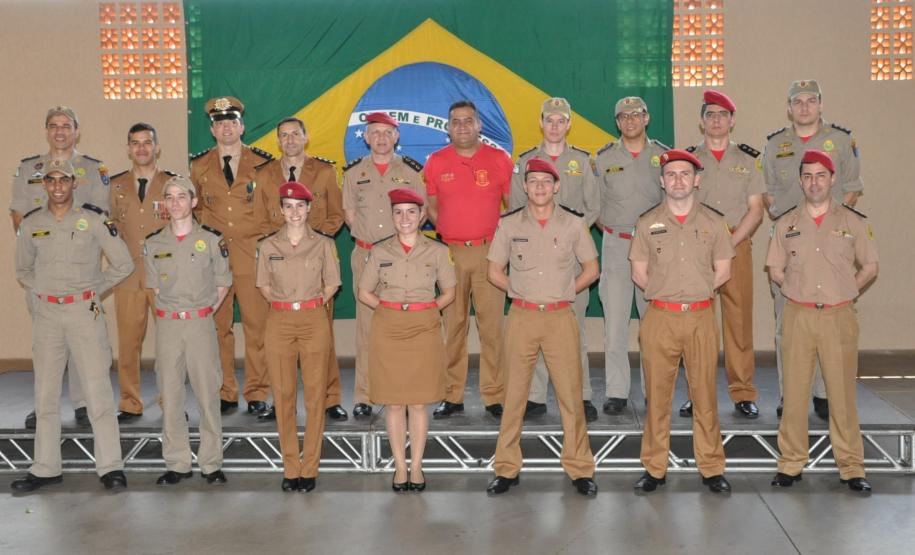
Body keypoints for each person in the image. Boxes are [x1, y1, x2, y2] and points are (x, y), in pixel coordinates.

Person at [12, 159, 132, 492]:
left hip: (84, 313)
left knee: (97, 392)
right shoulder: (32, 224)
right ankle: (46, 467)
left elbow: (123, 263)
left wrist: (95, 291)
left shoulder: (93, 220)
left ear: (74, 183)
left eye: (63, 179)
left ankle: (110, 467)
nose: (57, 185)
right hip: (47, 317)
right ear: (44, 185)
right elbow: (22, 270)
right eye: (50, 180)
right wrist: (42, 296)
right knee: (46, 395)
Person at [485, 158, 599, 497]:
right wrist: (519, 292)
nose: (539, 187)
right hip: (521, 316)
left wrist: (565, 292)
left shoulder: (573, 224)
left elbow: (592, 269)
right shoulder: (509, 225)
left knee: (570, 396)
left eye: (545, 182)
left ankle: (580, 468)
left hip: (560, 317)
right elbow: (493, 270)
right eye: (532, 181)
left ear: (557, 186)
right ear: (525, 186)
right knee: (515, 395)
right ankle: (506, 468)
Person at [766, 150, 877, 493]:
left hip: (837, 316)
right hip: (798, 315)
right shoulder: (786, 223)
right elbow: (775, 268)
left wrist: (847, 292)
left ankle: (851, 466)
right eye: (808, 176)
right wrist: (793, 291)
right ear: (801, 181)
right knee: (795, 394)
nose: (814, 182)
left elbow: (870, 266)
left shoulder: (853, 222)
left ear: (832, 180)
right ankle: (790, 463)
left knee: (841, 395)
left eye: (821, 176)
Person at [629, 149, 734, 494]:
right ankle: (654, 468)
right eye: (671, 175)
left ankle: (711, 467)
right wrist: (669, 293)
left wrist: (695, 293)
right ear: (662, 181)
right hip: (660, 317)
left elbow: (723, 271)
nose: (678, 180)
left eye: (685, 174)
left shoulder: (714, 223)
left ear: (696, 180)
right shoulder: (646, 223)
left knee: (704, 396)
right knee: (657, 399)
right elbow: (639, 273)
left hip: (701, 316)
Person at [762, 79, 864, 419]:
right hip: (790, 244)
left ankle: (824, 394)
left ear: (821, 104)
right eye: (797, 102)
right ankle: (789, 394)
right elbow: (769, 192)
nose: (804, 107)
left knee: (830, 316)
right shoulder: (776, 144)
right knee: (787, 323)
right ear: (788, 108)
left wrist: (832, 223)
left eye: (810, 100)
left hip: (832, 244)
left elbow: (851, 188)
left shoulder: (842, 140)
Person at [10, 106, 112, 429]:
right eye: (53, 126)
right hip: (42, 272)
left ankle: (84, 404)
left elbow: (102, 218)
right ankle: (45, 405)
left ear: (77, 131)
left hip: (82, 270)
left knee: (86, 339)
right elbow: (18, 218)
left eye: (66, 126)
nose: (59, 131)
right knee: (47, 344)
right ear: (46, 130)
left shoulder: (94, 170)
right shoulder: (29, 169)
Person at [357, 188, 456, 492]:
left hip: (424, 327)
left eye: (411, 212)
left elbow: (449, 292)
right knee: (395, 403)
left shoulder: (437, 251)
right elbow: (364, 292)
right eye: (398, 212)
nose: (405, 218)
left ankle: (417, 467)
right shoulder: (380, 251)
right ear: (392, 216)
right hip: (388, 328)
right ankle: (400, 468)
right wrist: (392, 308)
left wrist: (426, 310)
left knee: (418, 402)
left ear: (422, 215)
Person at [509, 97, 600, 421]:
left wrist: (571, 235)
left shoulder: (581, 161)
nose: (555, 126)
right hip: (532, 259)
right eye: (550, 120)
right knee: (533, 327)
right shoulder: (525, 162)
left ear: (569, 124)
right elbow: (514, 206)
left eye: (561, 121)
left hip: (570, 258)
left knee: (574, 329)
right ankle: (535, 397)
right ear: (542, 122)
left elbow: (593, 207)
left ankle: (582, 394)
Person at [424, 100, 513, 419]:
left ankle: (494, 396)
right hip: (450, 254)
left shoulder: (499, 159)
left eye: (468, 121)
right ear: (448, 128)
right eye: (456, 121)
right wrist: (449, 230)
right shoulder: (435, 162)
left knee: (493, 329)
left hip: (490, 253)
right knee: (454, 326)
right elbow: (431, 207)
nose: (462, 126)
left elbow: (513, 208)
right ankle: (452, 395)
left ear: (479, 126)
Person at [679, 90, 765, 419]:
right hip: (696, 250)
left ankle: (743, 392)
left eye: (722, 115)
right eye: (710, 115)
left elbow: (756, 210)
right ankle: (695, 393)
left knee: (739, 322)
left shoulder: (747, 160)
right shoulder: (687, 161)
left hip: (737, 246)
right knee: (696, 324)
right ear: (701, 122)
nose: (716, 120)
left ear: (732, 121)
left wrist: (729, 243)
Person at [255, 117, 347, 422]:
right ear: (278, 141)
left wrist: (316, 243)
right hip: (279, 264)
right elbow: (259, 219)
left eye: (296, 134)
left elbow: (337, 214)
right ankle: (279, 400)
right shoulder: (265, 174)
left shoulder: (323, 171)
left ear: (306, 138)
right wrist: (279, 244)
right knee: (278, 337)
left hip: (314, 264)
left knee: (322, 333)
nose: (290, 139)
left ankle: (330, 398)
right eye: (284, 135)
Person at [190, 96, 274, 416]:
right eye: (220, 123)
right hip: (215, 262)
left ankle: (256, 391)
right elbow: (194, 212)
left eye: (232, 122)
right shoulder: (199, 165)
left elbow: (273, 213)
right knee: (218, 328)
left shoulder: (263, 164)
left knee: (257, 327)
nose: (226, 128)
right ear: (212, 130)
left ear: (242, 127)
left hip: (251, 257)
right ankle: (225, 390)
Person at [144, 175, 230, 486]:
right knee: (170, 395)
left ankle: (211, 463)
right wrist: (170, 315)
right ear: (164, 204)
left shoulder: (210, 240)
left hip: (199, 323)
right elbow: (153, 289)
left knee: (208, 394)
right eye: (170, 197)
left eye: (183, 196)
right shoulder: (154, 243)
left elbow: (223, 283)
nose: (176, 202)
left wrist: (204, 312)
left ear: (194, 202)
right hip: (167, 324)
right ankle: (177, 463)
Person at [256, 182, 341, 492]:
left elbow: (332, 282)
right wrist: (283, 304)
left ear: (309, 209)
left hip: (312, 319)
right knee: (283, 394)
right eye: (288, 206)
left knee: (316, 395)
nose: (294, 212)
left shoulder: (322, 245)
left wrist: (314, 302)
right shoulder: (268, 246)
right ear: (281, 210)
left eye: (300, 206)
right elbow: (263, 285)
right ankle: (290, 466)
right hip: (279, 320)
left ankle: (310, 467)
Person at [343, 112, 425, 418]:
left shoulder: (411, 172)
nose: (380, 138)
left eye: (387, 132)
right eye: (374, 132)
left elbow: (422, 211)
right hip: (365, 256)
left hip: (402, 258)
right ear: (365, 137)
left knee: (403, 326)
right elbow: (349, 214)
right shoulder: (353, 174)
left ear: (396, 137)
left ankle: (404, 394)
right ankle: (365, 395)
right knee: (367, 327)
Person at [594, 96, 668, 416]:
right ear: (617, 121)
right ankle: (616, 392)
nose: (630, 120)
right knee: (616, 323)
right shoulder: (603, 158)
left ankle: (656, 388)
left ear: (647, 118)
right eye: (623, 116)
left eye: (636, 114)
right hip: (617, 246)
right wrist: (612, 231)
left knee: (654, 324)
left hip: (655, 247)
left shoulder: (663, 156)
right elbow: (594, 206)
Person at [108, 123, 173, 421]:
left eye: (148, 142)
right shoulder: (115, 186)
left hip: (165, 278)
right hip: (128, 276)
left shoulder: (173, 185)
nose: (142, 148)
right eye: (136, 143)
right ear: (128, 149)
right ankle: (129, 402)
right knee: (128, 343)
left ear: (157, 147)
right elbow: (104, 231)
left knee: (170, 345)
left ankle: (169, 401)